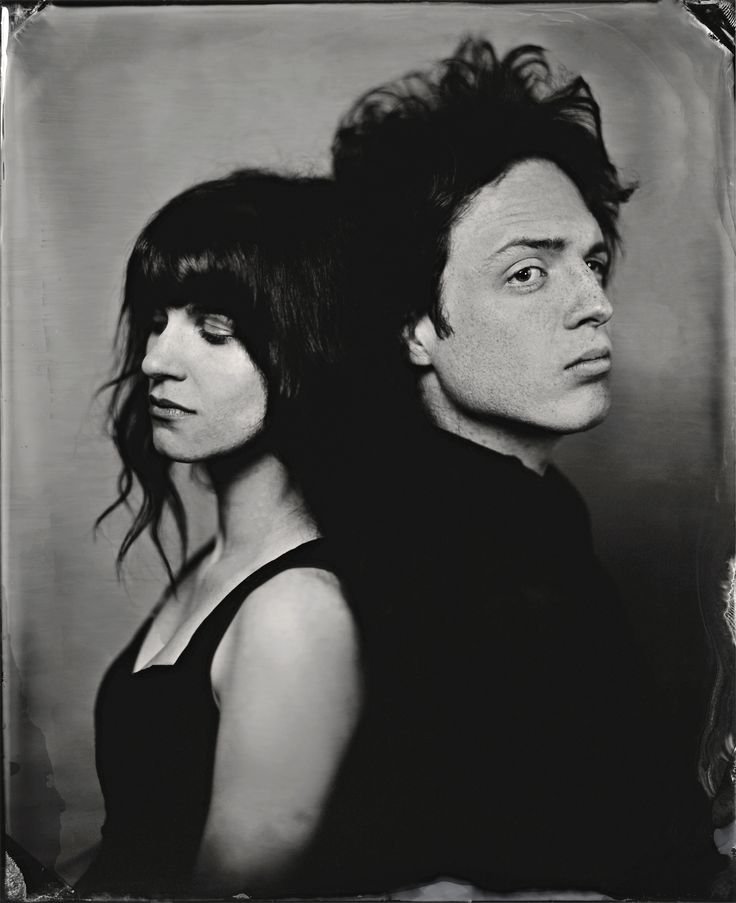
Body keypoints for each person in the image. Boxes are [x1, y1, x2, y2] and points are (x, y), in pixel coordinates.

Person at [318, 37, 730, 898]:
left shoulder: (529, 507)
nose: (596, 303)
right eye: (529, 272)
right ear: (414, 325)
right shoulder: (436, 554)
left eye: (593, 262)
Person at [75, 171, 361, 898]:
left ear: (304, 346)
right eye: (156, 322)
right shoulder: (224, 560)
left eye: (213, 330)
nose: (154, 362)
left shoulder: (297, 610)